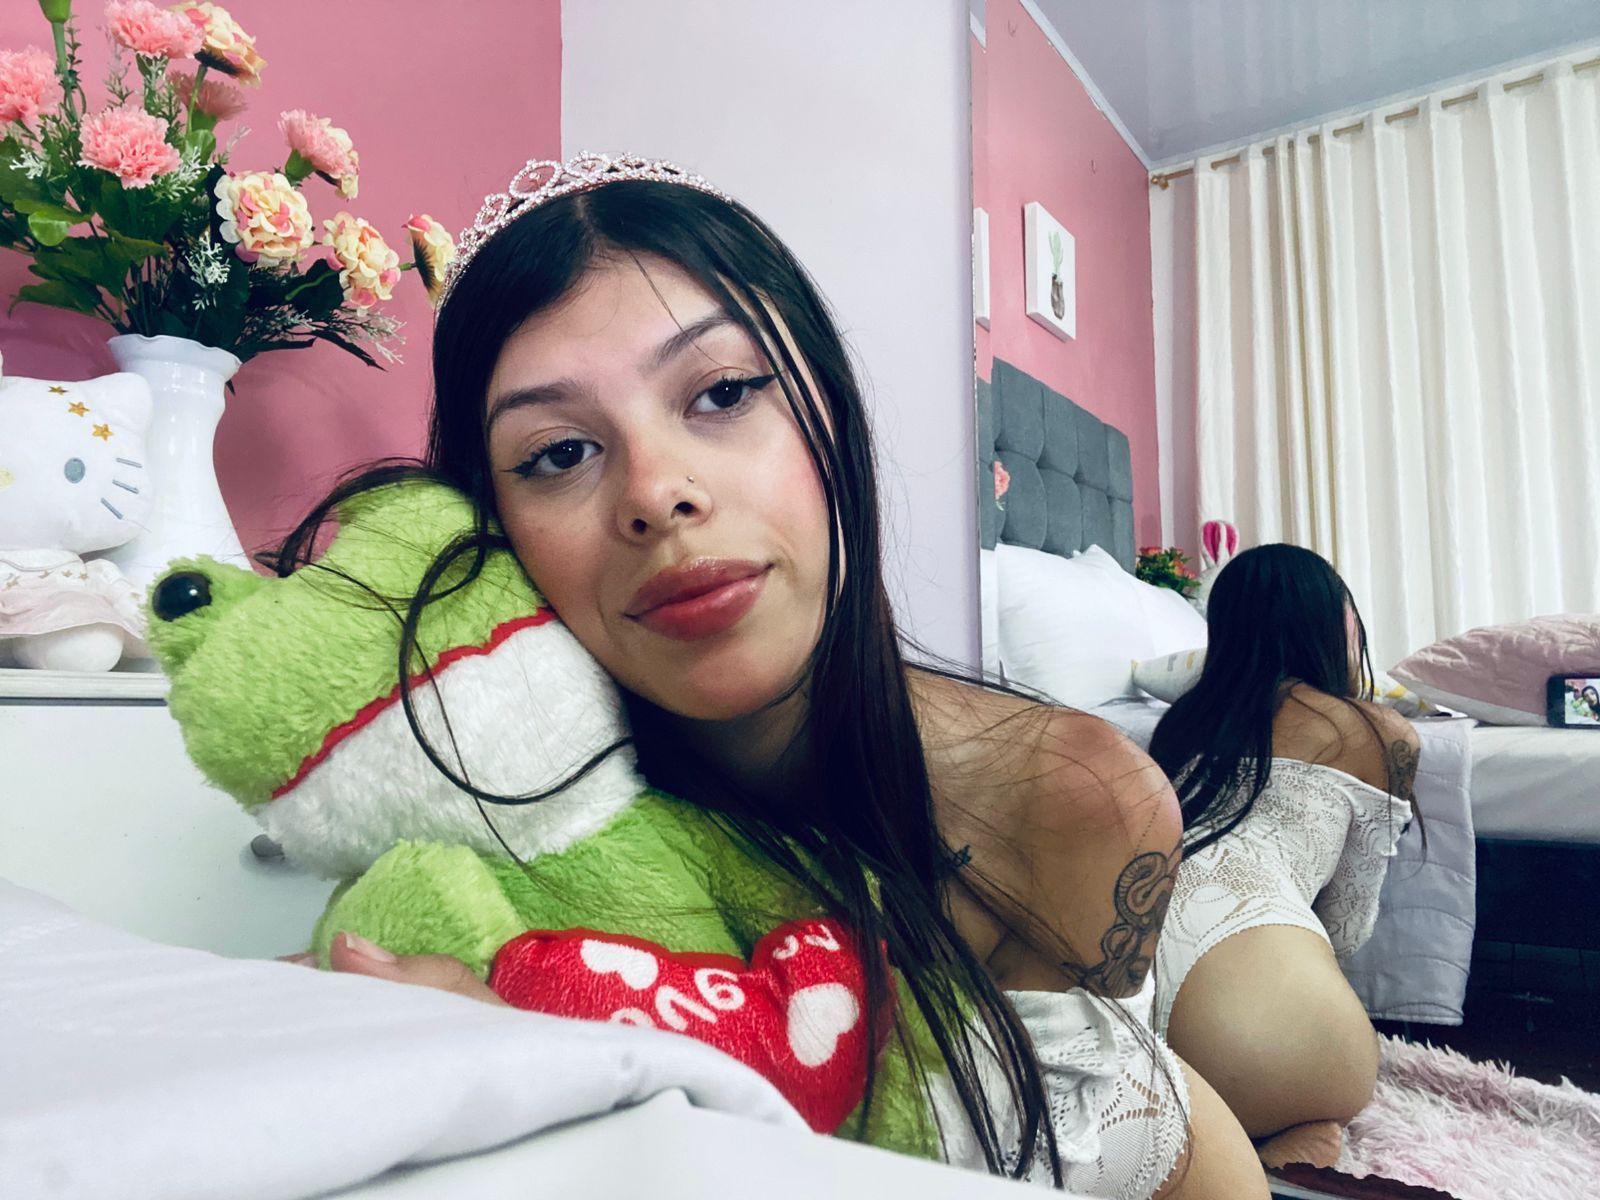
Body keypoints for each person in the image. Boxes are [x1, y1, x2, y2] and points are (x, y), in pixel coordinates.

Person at [272, 153, 1266, 1196]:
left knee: (1263, 1043)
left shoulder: (1073, 799)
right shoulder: (457, 805)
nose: (657, 493)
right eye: (559, 453)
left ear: (830, 409)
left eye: (723, 392)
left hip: (1213, 1024)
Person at [1147, 543, 1418, 1171]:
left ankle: (1227, 1133)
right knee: (1324, 1078)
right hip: (1259, 1044)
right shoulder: (1378, 731)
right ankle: (1289, 1126)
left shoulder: (1180, 726)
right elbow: (1347, 927)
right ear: (1328, 622)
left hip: (1121, 1002)